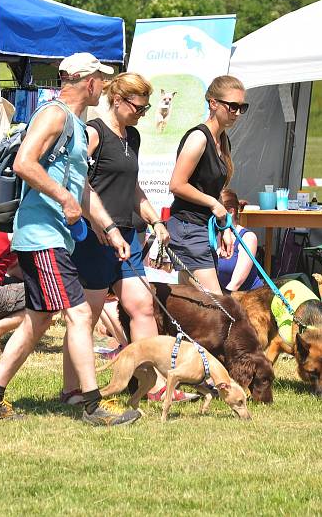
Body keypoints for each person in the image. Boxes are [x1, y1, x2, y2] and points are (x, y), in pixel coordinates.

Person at [0, 52, 140, 427]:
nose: (104, 85)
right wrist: (63, 198)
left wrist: (108, 229)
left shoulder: (78, 125)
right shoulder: (54, 115)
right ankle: (93, 405)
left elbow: (80, 190)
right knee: (79, 314)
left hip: (56, 236)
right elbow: (24, 163)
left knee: (37, 321)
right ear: (88, 81)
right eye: (101, 79)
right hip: (41, 234)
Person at [61, 72, 194, 404]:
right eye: (138, 107)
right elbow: (77, 183)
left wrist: (154, 219)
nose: (142, 114)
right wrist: (99, 226)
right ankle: (71, 389)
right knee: (86, 316)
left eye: (146, 109)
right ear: (118, 100)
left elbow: (132, 187)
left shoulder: (131, 137)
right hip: (95, 238)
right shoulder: (94, 133)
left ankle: (156, 386)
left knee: (143, 306)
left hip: (129, 235)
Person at [167, 75, 249, 295]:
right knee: (216, 306)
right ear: (213, 103)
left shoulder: (223, 140)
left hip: (204, 227)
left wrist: (225, 226)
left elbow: (212, 190)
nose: (237, 113)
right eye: (232, 107)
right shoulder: (199, 138)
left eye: (242, 107)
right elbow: (176, 184)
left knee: (191, 305)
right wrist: (214, 204)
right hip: (188, 227)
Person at [216, 188, 264, 293]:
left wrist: (219, 303)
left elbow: (236, 283)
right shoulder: (213, 235)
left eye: (215, 211)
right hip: (222, 298)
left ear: (231, 212)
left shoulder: (248, 238)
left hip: (248, 299)